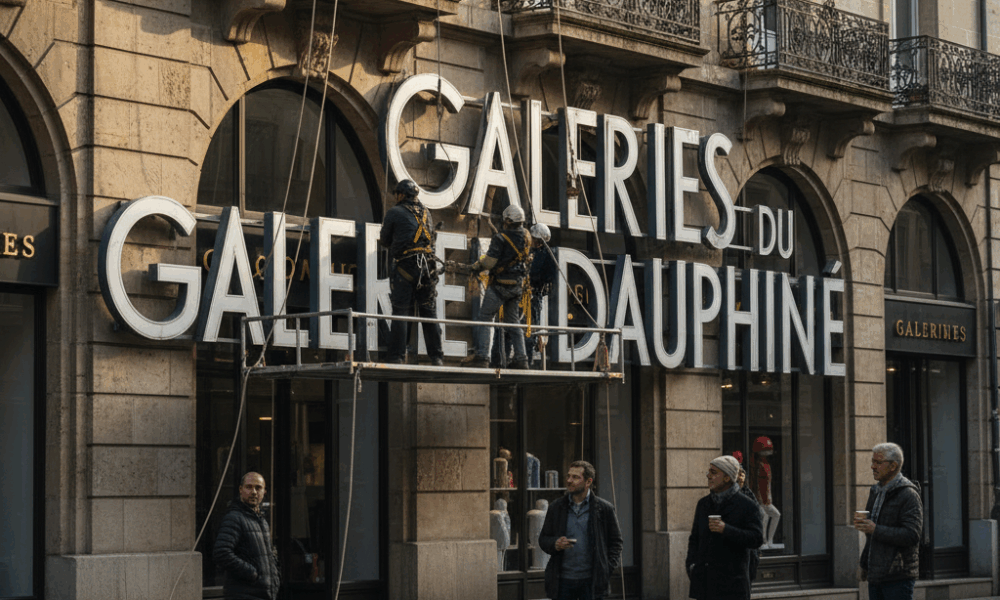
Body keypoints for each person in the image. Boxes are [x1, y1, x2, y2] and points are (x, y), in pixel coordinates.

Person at [378, 179, 444, 365]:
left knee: (401, 312)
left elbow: (384, 240)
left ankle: (396, 356)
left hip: (406, 266)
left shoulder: (394, 212)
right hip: (427, 268)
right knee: (428, 311)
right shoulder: (427, 213)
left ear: (401, 194)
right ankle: (436, 356)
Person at [538, 460, 623, 600]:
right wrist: (555, 544)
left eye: (575, 477)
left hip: (591, 582)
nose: (569, 480)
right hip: (562, 581)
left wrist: (605, 569)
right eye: (569, 476)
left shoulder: (604, 509)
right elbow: (543, 539)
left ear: (588, 482)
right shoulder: (556, 507)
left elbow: (616, 542)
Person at [686, 455, 764, 600]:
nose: (708, 476)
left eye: (714, 472)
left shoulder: (747, 505)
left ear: (727, 478)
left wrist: (726, 529)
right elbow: (694, 539)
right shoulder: (703, 504)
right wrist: (692, 566)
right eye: (708, 472)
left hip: (733, 587)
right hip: (705, 586)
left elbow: (757, 539)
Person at [464, 204, 531, 369]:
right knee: (513, 322)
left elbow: (490, 262)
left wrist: (476, 266)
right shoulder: (527, 236)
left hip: (499, 286)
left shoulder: (500, 238)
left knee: (485, 319)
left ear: (508, 220)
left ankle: (482, 356)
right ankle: (522, 359)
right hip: (516, 286)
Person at [854, 442, 922, 600]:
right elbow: (871, 538)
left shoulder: (908, 495)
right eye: (872, 462)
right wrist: (864, 565)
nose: (872, 467)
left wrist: (875, 529)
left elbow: (912, 535)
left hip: (897, 576)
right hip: (876, 575)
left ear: (893, 466)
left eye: (878, 463)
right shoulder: (876, 491)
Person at [213, 472, 280, 600]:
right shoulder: (234, 518)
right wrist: (251, 573)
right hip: (243, 594)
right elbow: (221, 553)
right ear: (240, 490)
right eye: (249, 487)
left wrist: (275, 577)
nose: (254, 492)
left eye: (258, 487)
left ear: (264, 491)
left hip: (264, 594)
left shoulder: (262, 521)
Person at [526, 222, 556, 365]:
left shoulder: (545, 255)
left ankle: (527, 359)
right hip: (522, 294)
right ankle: (523, 358)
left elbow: (549, 278)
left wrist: (535, 283)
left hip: (533, 295)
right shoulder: (528, 252)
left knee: (530, 328)